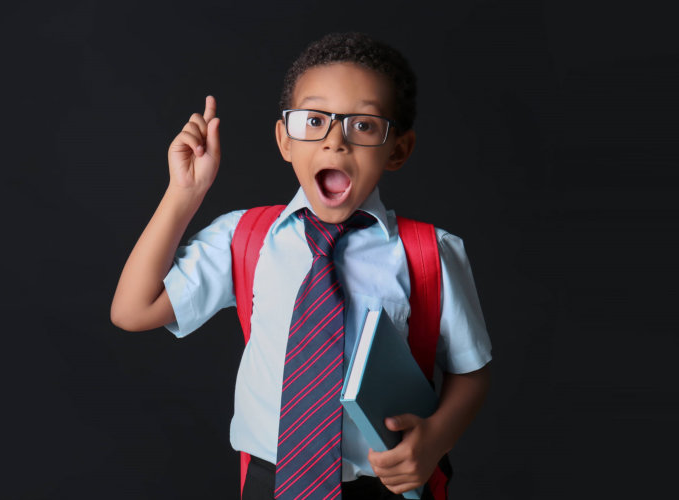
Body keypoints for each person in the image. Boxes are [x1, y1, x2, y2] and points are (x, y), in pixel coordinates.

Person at [111, 32, 492, 500]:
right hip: (271, 484)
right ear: (284, 140)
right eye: (313, 120)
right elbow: (133, 310)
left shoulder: (431, 252)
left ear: (398, 149)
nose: (335, 142)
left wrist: (435, 440)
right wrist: (184, 195)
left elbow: (470, 371)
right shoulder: (243, 237)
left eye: (364, 125)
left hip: (384, 484)